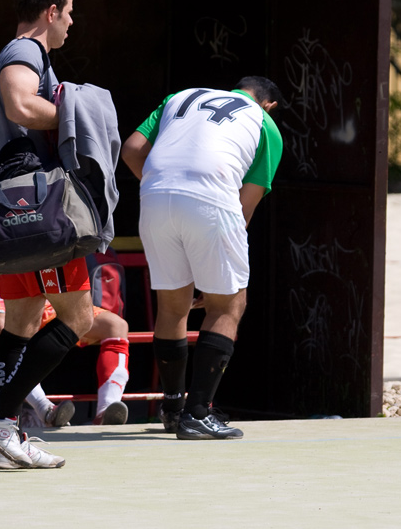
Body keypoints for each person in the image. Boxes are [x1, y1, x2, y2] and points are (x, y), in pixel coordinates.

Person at [0, 0, 111, 469]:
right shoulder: (25, 51)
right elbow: (20, 103)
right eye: (69, 12)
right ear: (51, 12)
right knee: (79, 318)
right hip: (36, 210)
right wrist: (83, 116)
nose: (71, 22)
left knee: (25, 320)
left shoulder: (23, 53)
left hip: (13, 213)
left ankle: (6, 444)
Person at [120, 77, 284, 439]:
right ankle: (197, 413)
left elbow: (131, 149)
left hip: (155, 196)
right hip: (212, 200)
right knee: (227, 305)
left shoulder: (179, 96)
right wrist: (213, 271)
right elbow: (244, 207)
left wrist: (165, 185)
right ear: (269, 104)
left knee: (172, 307)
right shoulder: (264, 122)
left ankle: (172, 409)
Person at [0, 272, 131, 429]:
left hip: (53, 297)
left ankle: (107, 409)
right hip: (0, 299)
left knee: (116, 325)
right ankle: (45, 410)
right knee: (3, 327)